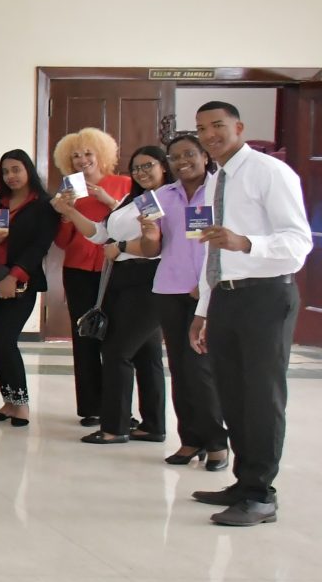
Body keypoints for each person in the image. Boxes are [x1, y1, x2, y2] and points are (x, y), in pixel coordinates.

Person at [189, 101, 311, 527]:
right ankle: (244, 483)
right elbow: (210, 250)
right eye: (202, 128)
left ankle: (261, 494)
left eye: (218, 126)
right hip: (227, 296)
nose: (210, 135)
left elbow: (298, 243)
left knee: (261, 396)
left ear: (238, 127)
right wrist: (204, 309)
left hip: (266, 296)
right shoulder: (213, 180)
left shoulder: (269, 172)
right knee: (233, 395)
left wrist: (247, 243)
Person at [58, 145, 171, 445]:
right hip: (121, 279)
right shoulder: (135, 200)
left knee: (116, 351)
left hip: (149, 279)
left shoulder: (168, 198)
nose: (142, 172)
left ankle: (115, 426)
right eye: (137, 168)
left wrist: (121, 249)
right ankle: (153, 425)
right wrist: (69, 211)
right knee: (146, 354)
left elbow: (158, 244)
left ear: (163, 166)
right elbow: (99, 233)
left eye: (149, 166)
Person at [154, 132, 227, 470]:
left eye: (189, 154)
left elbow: (216, 244)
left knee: (201, 369)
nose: (182, 162)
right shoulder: (162, 196)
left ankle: (216, 442)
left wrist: (205, 284)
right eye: (175, 157)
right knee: (180, 369)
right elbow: (151, 242)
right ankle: (190, 440)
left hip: (207, 291)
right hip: (170, 289)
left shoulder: (219, 190)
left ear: (204, 156)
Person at [51, 127, 131, 426]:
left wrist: (110, 200)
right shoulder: (70, 190)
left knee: (117, 340)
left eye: (87, 153)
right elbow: (62, 241)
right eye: (75, 156)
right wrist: (63, 213)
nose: (82, 160)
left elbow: (134, 220)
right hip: (78, 271)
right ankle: (90, 407)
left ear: (102, 155)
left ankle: (117, 407)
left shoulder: (124, 184)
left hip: (117, 268)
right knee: (84, 337)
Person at [0, 149, 59, 426]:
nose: (10, 176)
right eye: (5, 171)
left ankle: (22, 404)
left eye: (16, 169)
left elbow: (40, 246)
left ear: (28, 171)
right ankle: (8, 402)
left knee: (5, 340)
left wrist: (15, 276)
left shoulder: (44, 205)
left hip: (20, 283)